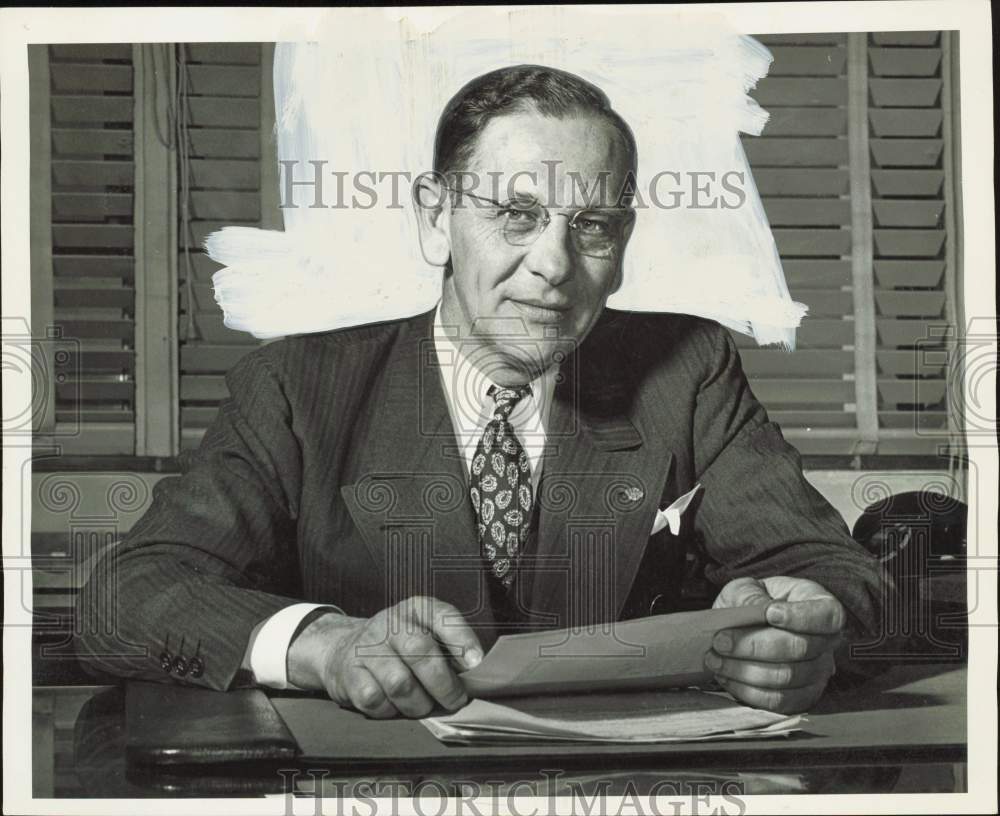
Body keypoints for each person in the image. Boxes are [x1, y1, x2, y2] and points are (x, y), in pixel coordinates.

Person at [75, 64, 885, 720]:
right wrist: (326, 645)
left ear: (623, 242)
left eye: (592, 226)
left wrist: (808, 623)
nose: (555, 266)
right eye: (518, 215)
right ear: (436, 219)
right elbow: (122, 600)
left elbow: (835, 572)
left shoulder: (687, 366)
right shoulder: (297, 388)